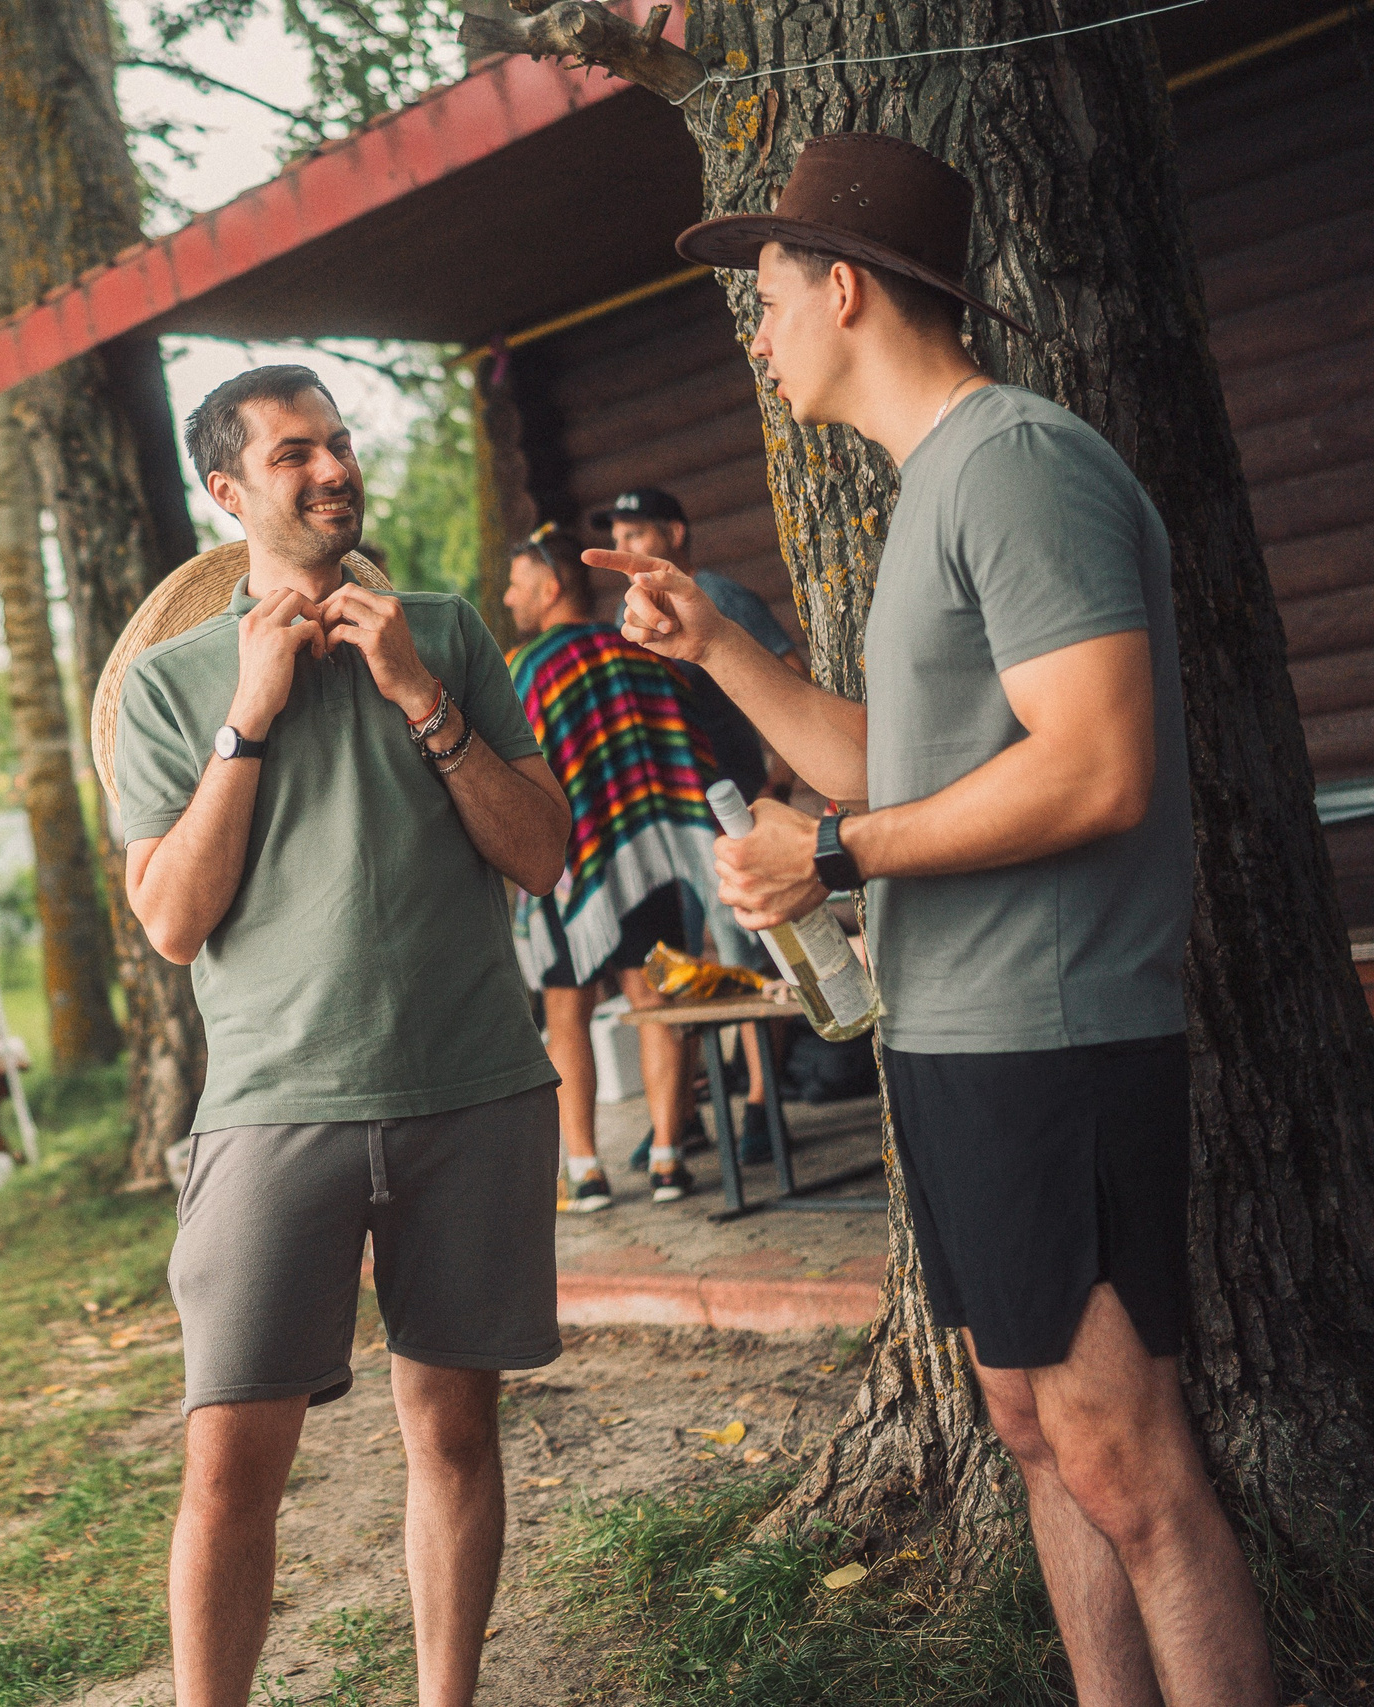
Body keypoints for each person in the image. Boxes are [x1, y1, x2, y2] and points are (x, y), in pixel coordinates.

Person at [612, 131, 1274, 1707]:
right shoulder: (937, 491)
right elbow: (916, 767)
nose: (756, 337)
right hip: (962, 1042)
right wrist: (716, 647)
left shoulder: (1020, 464)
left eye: (765, 298)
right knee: (1040, 1434)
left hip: (1060, 1035)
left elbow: (1100, 767)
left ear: (844, 288)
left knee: (1132, 1466)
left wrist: (833, 856)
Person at [114, 366, 573, 1707]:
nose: (331, 469)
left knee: (453, 1426)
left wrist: (420, 691)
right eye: (294, 451)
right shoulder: (168, 687)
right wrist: (247, 714)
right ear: (230, 490)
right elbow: (173, 919)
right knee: (227, 1458)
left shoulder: (446, 632)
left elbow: (543, 852)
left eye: (339, 442)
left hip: (474, 1088)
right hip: (272, 1108)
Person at [593, 487, 810, 1163]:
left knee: (754, 948)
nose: (628, 546)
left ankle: (759, 1107)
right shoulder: (640, 613)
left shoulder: (714, 591)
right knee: (696, 958)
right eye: (618, 532)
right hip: (680, 814)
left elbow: (790, 675)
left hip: (733, 801)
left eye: (639, 532)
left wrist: (775, 784)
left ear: (676, 534)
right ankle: (683, 1114)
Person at [503, 525, 716, 1209]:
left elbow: (514, 777)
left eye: (516, 583)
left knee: (568, 1013)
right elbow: (686, 739)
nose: (508, 597)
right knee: (655, 998)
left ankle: (586, 1168)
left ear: (550, 584)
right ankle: (666, 1158)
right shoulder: (638, 651)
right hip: (648, 856)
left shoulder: (526, 668)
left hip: (571, 872)